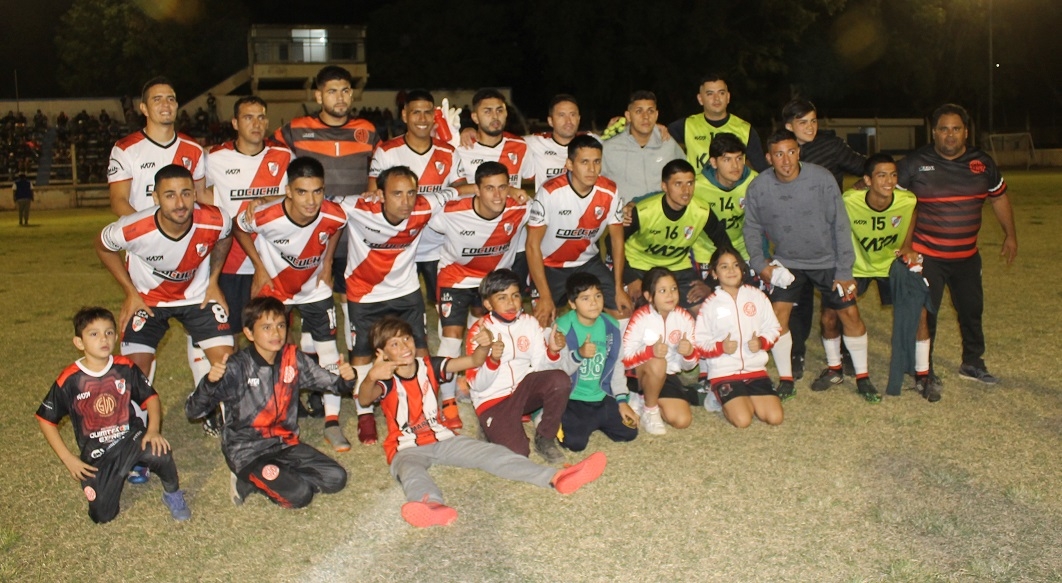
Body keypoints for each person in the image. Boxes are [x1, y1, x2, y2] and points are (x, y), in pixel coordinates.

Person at [359, 316, 607, 528]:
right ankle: (432, 505)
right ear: (382, 353)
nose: (405, 346)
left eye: (407, 339)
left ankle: (556, 477)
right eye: (395, 344)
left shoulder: (429, 365)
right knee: (411, 473)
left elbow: (474, 362)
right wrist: (371, 376)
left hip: (443, 439)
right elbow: (364, 398)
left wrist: (484, 346)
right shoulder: (385, 378)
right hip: (406, 448)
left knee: (494, 454)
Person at [743, 130, 876, 402]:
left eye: (792, 152)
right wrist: (760, 263)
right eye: (779, 154)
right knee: (778, 316)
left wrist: (844, 270)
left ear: (799, 152)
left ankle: (862, 377)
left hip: (827, 261)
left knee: (849, 313)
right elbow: (752, 227)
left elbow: (841, 224)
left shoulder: (822, 179)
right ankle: (786, 379)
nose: (786, 160)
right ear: (768, 158)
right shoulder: (759, 186)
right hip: (788, 262)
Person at [186, 297, 357, 508]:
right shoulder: (237, 367)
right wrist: (210, 383)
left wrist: (347, 379)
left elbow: (333, 384)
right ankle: (244, 478)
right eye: (266, 327)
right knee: (300, 495)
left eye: (281, 325)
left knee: (336, 478)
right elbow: (193, 411)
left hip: (285, 444)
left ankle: (280, 475)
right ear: (249, 333)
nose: (276, 333)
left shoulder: (293, 358)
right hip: (248, 452)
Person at [235, 157, 351, 449]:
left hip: (314, 290)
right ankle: (271, 416)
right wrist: (258, 266)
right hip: (275, 290)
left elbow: (338, 226)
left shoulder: (334, 214)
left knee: (329, 351)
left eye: (317, 191)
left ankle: (332, 422)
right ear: (288, 191)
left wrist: (327, 262)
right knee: (271, 352)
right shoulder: (266, 215)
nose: (311, 201)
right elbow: (238, 228)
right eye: (302, 192)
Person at [897, 104, 1017, 385]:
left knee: (972, 311)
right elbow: (895, 202)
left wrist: (1010, 235)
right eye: (943, 129)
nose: (950, 135)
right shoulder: (914, 163)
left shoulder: (982, 163)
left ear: (966, 132)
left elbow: (999, 197)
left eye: (956, 129)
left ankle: (973, 363)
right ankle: (923, 368)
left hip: (967, 257)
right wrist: (905, 245)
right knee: (926, 314)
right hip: (927, 256)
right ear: (934, 132)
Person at [36, 307, 190, 523]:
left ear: (116, 337)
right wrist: (68, 459)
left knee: (159, 451)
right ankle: (125, 469)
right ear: (79, 342)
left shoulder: (125, 367)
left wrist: (153, 430)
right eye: (94, 334)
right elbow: (46, 420)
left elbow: (151, 398)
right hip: (98, 453)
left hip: (131, 438)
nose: (103, 339)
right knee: (102, 516)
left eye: (108, 332)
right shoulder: (70, 380)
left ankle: (171, 493)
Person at [339, 166, 457, 444]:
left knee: (420, 350)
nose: (406, 201)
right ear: (380, 194)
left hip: (406, 291)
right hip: (364, 293)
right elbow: (317, 200)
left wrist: (512, 191)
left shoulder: (423, 206)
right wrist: (262, 201)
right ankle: (365, 414)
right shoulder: (358, 207)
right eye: (397, 194)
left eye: (411, 193)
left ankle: (428, 407)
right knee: (362, 354)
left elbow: (456, 191)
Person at [94, 164, 235, 395]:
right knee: (134, 373)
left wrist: (213, 282)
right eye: (170, 195)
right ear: (156, 198)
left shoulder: (216, 219)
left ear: (195, 194)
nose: (180, 203)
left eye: (186, 193)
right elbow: (102, 246)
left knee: (229, 365)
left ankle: (210, 408)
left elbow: (225, 236)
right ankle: (139, 416)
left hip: (197, 297)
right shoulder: (134, 228)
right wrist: (130, 292)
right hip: (147, 300)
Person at [428, 161, 529, 429]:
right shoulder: (451, 212)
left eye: (502, 188)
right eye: (489, 188)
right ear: (477, 189)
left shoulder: (520, 208)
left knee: (489, 335)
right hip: (455, 277)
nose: (497, 196)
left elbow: (547, 215)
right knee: (451, 338)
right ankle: (447, 400)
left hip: (492, 280)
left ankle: (475, 383)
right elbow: (423, 209)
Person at [781, 98, 868, 380]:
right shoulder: (782, 149)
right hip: (793, 239)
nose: (810, 127)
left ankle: (846, 352)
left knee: (837, 299)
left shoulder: (831, 146)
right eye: (802, 122)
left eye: (813, 121)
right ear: (789, 126)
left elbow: (866, 166)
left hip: (826, 238)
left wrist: (858, 187)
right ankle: (796, 352)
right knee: (798, 300)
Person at [839, 154, 934, 400]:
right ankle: (840, 366)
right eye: (881, 175)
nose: (889, 181)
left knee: (919, 310)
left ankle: (923, 374)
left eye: (893, 175)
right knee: (834, 310)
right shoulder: (849, 200)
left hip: (890, 265)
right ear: (867, 180)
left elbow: (913, 212)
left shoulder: (907, 199)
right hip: (859, 266)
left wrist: (908, 244)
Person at [204, 96, 293, 337]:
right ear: (235, 123)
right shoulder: (215, 158)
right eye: (248, 118)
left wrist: (267, 200)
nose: (256, 124)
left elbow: (295, 196)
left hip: (272, 260)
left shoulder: (283, 155)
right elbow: (198, 191)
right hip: (230, 261)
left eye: (261, 117)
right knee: (229, 332)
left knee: (278, 329)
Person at [369, 89, 466, 310]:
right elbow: (373, 197)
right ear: (404, 115)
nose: (422, 119)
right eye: (416, 112)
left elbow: (461, 192)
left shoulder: (449, 152)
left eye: (427, 112)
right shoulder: (387, 151)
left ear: (434, 116)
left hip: (438, 246)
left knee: (446, 306)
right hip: (400, 246)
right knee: (400, 307)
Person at [465, 269, 571, 463]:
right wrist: (492, 361)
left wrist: (552, 351)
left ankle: (545, 437)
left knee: (560, 380)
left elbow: (540, 368)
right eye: (502, 297)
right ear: (488, 304)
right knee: (518, 454)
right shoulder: (479, 332)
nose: (511, 303)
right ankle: (489, 425)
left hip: (523, 391)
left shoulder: (529, 323)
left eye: (515, 295)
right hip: (493, 399)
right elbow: (476, 385)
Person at [526, 134, 632, 328]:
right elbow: (532, 245)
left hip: (587, 262)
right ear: (569, 164)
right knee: (543, 319)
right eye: (584, 162)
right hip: (550, 264)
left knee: (623, 310)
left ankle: (606, 348)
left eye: (596, 162)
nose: (592, 169)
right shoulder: (549, 192)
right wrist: (545, 295)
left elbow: (617, 241)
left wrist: (618, 287)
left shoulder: (610, 191)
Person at [623, 159, 731, 309]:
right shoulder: (644, 211)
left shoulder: (702, 211)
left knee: (704, 310)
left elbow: (726, 246)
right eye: (678, 184)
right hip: (639, 265)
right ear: (664, 186)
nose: (686, 190)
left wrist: (709, 284)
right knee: (628, 310)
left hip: (677, 267)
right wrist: (630, 278)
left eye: (690, 183)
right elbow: (611, 243)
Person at [694, 249, 784, 428]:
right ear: (714, 273)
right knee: (743, 420)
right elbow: (700, 342)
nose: (731, 270)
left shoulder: (757, 296)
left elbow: (774, 328)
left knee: (775, 418)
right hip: (724, 372)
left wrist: (761, 342)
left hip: (755, 369)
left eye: (735, 265)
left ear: (742, 269)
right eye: (724, 267)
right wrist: (720, 347)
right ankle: (717, 396)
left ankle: (743, 396)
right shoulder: (710, 304)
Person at [455, 89, 535, 285]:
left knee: (513, 296)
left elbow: (536, 177)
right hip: (475, 241)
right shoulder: (461, 148)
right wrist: (507, 189)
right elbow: (454, 190)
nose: (495, 116)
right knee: (478, 299)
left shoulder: (520, 146)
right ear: (475, 117)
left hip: (514, 242)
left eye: (500, 110)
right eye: (487, 111)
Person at [553, 273, 638, 451]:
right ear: (572, 303)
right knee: (575, 443)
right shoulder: (562, 328)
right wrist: (578, 355)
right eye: (585, 298)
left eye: (598, 296)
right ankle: (552, 414)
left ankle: (596, 419)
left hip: (601, 395)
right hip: (572, 398)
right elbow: (555, 372)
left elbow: (616, 365)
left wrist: (622, 401)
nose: (593, 303)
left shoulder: (611, 326)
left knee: (629, 432)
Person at [108, 76, 206, 215]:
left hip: (183, 229)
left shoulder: (193, 148)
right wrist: (149, 227)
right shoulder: (125, 149)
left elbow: (201, 196)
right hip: (142, 228)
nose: (166, 104)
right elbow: (118, 200)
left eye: (170, 99)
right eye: (157, 99)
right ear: (144, 109)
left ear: (176, 105)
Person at [622, 267, 698, 435]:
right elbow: (624, 358)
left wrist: (689, 353)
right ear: (649, 296)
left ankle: (644, 398)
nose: (670, 295)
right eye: (662, 291)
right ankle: (650, 410)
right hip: (638, 375)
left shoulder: (685, 318)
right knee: (658, 361)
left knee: (682, 421)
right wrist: (650, 352)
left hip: (667, 375)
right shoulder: (640, 317)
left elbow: (688, 366)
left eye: (673, 289)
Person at [666, 73, 768, 173]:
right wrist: (660, 128)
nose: (716, 98)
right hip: (697, 184)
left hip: (733, 185)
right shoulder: (685, 126)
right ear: (700, 99)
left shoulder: (745, 130)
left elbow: (761, 170)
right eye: (710, 94)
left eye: (721, 93)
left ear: (728, 97)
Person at [602, 90, 685, 201]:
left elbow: (685, 176)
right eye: (639, 111)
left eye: (650, 111)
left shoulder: (668, 143)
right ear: (628, 116)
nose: (645, 116)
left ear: (656, 115)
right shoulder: (610, 148)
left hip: (659, 210)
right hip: (625, 211)